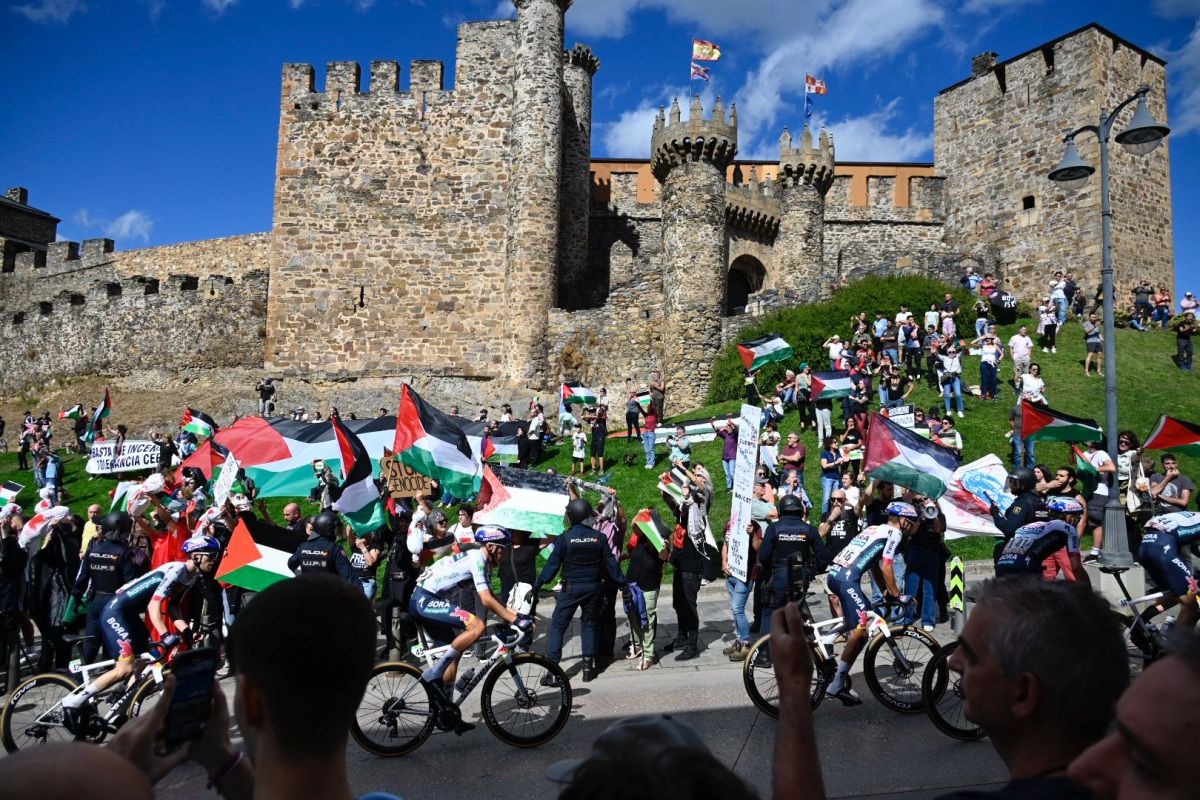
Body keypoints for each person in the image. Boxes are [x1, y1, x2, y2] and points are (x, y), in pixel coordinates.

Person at [62, 534, 222, 713]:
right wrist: (165, 635)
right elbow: (154, 606)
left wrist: (186, 632)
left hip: (128, 613)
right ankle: (75, 701)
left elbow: (173, 607)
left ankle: (120, 708)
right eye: (211, 556)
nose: (214, 561)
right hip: (115, 612)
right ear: (196, 556)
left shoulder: (191, 576)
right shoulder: (177, 570)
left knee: (152, 659)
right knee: (125, 668)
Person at [410, 525, 530, 713]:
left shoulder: (480, 560)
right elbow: (486, 600)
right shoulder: (478, 559)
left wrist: (519, 616)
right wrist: (516, 621)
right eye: (503, 548)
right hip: (424, 600)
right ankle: (435, 672)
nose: (504, 554)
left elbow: (493, 597)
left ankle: (446, 709)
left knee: (453, 655)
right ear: (490, 547)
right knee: (477, 625)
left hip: (425, 600)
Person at [823, 501, 920, 704]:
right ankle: (836, 685)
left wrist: (885, 590)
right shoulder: (895, 534)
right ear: (902, 521)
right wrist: (896, 595)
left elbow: (874, 565)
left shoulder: (875, 528)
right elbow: (886, 567)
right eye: (910, 522)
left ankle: (827, 641)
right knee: (861, 631)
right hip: (846, 579)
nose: (911, 526)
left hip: (836, 575)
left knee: (860, 616)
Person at [536, 498, 626, 682]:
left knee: (557, 626)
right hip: (593, 588)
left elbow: (552, 566)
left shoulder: (565, 538)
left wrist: (537, 585)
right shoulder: (599, 538)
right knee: (589, 624)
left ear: (573, 516)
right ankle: (587, 669)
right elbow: (611, 565)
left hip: (570, 589)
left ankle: (553, 671)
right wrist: (623, 585)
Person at [70, 511, 145, 664]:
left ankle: (78, 682)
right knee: (136, 640)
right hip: (115, 605)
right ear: (119, 530)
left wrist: (75, 600)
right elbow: (129, 583)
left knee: (91, 644)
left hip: (95, 602)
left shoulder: (92, 550)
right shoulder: (124, 553)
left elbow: (82, 580)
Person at [758, 495, 831, 640]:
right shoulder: (808, 529)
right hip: (799, 573)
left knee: (770, 612)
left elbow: (763, 556)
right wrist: (812, 571)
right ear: (800, 511)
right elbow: (824, 557)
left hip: (779, 573)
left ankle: (764, 654)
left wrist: (770, 569)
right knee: (797, 610)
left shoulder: (774, 528)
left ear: (781, 511)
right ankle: (807, 646)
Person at [995, 498, 1090, 588]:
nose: (1077, 521)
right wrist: (1090, 596)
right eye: (1077, 517)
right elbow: (1076, 568)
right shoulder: (1067, 528)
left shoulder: (1027, 526)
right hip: (1026, 569)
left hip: (1002, 565)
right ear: (1069, 516)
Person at [668, 474, 710, 661]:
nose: (685, 490)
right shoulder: (683, 508)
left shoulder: (699, 507)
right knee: (678, 603)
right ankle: (681, 637)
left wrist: (687, 474)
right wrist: (666, 486)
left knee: (689, 605)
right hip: (679, 564)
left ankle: (692, 645)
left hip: (692, 567)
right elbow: (669, 501)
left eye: (687, 488)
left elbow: (703, 490)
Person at [1136, 512, 1200, 630]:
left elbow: (1195, 547)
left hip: (1145, 548)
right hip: (1162, 550)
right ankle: (1175, 646)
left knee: (1176, 593)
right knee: (1191, 603)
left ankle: (1139, 623)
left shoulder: (1192, 516)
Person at [626, 518, 670, 670]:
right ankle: (638, 646)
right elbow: (635, 525)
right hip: (632, 587)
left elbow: (664, 556)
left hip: (648, 589)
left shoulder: (661, 546)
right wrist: (640, 515)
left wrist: (663, 547)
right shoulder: (642, 539)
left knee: (647, 622)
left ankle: (648, 655)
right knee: (633, 618)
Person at [287, 510, 354, 581]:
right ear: (329, 531)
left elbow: (291, 563)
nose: (336, 533)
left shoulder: (303, 546)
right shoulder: (335, 549)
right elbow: (349, 576)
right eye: (335, 530)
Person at [1081, 440, 1116, 561]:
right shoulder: (1086, 453)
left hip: (1099, 491)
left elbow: (1111, 467)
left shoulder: (1101, 453)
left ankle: (1095, 552)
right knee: (1088, 519)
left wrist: (1094, 469)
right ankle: (1094, 550)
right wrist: (1072, 449)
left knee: (1094, 519)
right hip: (1089, 490)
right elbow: (1075, 462)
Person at [349, 529, 382, 603]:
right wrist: (350, 520)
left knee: (362, 607)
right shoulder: (355, 546)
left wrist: (362, 547)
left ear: (372, 535)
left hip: (366, 582)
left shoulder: (375, 547)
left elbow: (370, 562)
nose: (359, 535)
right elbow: (349, 533)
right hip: (353, 581)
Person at [937, 344, 965, 417]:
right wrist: (934, 349)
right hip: (947, 377)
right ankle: (948, 410)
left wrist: (962, 346)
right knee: (947, 395)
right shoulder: (945, 358)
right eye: (950, 352)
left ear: (955, 352)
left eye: (953, 352)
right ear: (947, 352)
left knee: (958, 394)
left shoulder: (958, 357)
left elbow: (962, 351)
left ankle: (960, 410)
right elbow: (936, 354)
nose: (951, 353)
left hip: (956, 376)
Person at [712, 418, 738, 491]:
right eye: (726, 427)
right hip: (724, 457)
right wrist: (713, 425)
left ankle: (737, 487)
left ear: (731, 428)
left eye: (728, 427)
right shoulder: (726, 435)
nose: (726, 428)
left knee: (732, 473)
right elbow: (718, 431)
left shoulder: (735, 435)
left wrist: (731, 424)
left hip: (732, 457)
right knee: (727, 474)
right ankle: (729, 487)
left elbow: (736, 430)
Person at [640, 402, 658, 469]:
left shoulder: (654, 416)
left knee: (651, 449)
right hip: (645, 433)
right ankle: (648, 462)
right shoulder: (646, 415)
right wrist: (637, 404)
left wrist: (651, 398)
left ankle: (651, 463)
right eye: (648, 408)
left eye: (649, 408)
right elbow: (641, 410)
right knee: (646, 450)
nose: (648, 409)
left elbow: (655, 406)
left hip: (651, 434)